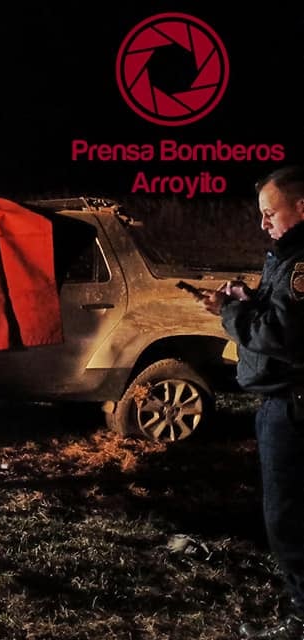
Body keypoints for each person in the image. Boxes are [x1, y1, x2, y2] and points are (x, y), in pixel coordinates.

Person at [200, 166, 304, 639]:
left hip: (294, 408)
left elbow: (283, 335)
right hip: (284, 405)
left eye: (270, 213)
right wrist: (251, 298)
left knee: (288, 518)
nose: (263, 223)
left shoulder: (302, 262)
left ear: (302, 206)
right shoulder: (287, 256)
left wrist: (231, 311)